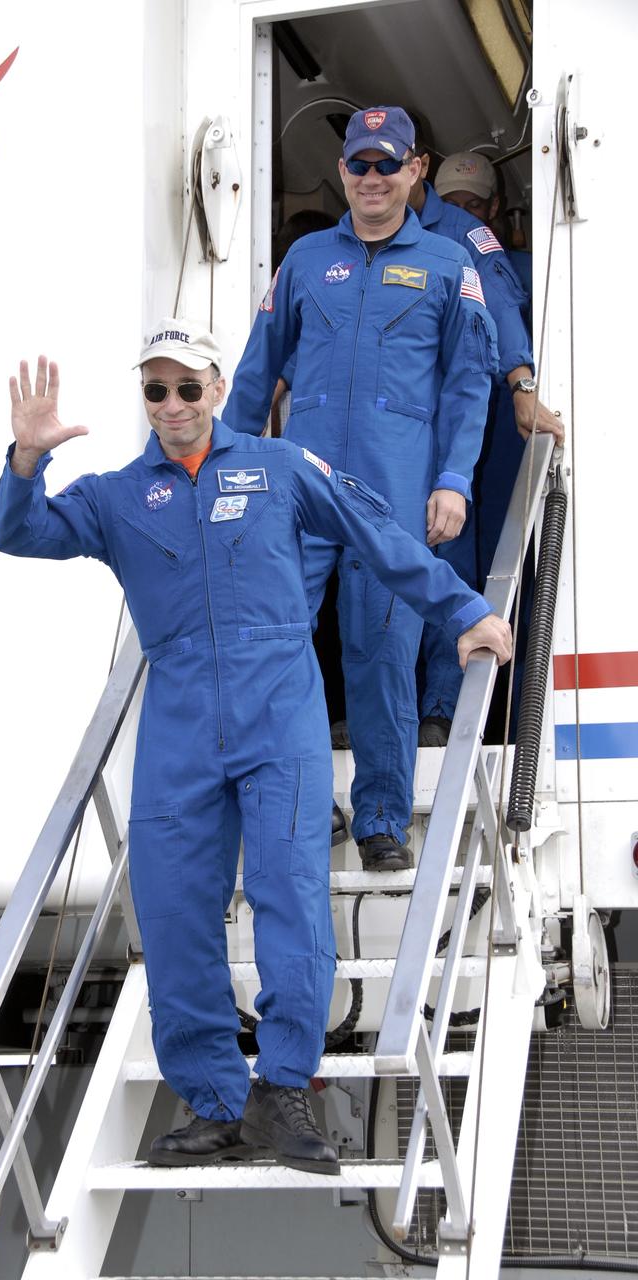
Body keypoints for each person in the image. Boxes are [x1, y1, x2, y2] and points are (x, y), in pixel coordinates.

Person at [0, 317, 512, 1174]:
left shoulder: (279, 467)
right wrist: (25, 461)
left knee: (289, 893)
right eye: (155, 390)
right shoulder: (118, 496)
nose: (172, 404)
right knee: (173, 911)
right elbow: (20, 533)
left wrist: (462, 613)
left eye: (187, 387)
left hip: (279, 708)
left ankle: (284, 1089)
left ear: (219, 391)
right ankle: (216, 1103)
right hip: (179, 722)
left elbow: (379, 536)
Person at [223, 106, 499, 872]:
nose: (372, 179)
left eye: (388, 164)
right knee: (275, 649)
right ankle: (301, 803)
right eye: (359, 165)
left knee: (381, 652)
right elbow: (254, 376)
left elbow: (469, 386)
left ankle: (381, 816)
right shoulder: (306, 261)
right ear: (343, 172)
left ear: (416, 170)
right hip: (301, 495)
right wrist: (229, 476)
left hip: (395, 496)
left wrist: (452, 482)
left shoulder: (450, 266)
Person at [409, 143, 564, 745]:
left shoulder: (470, 240)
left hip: (470, 426)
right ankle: (405, 716)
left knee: (459, 561)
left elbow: (502, 305)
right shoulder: (366, 240)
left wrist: (522, 382)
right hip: (401, 430)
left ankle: (443, 711)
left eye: (476, 201)